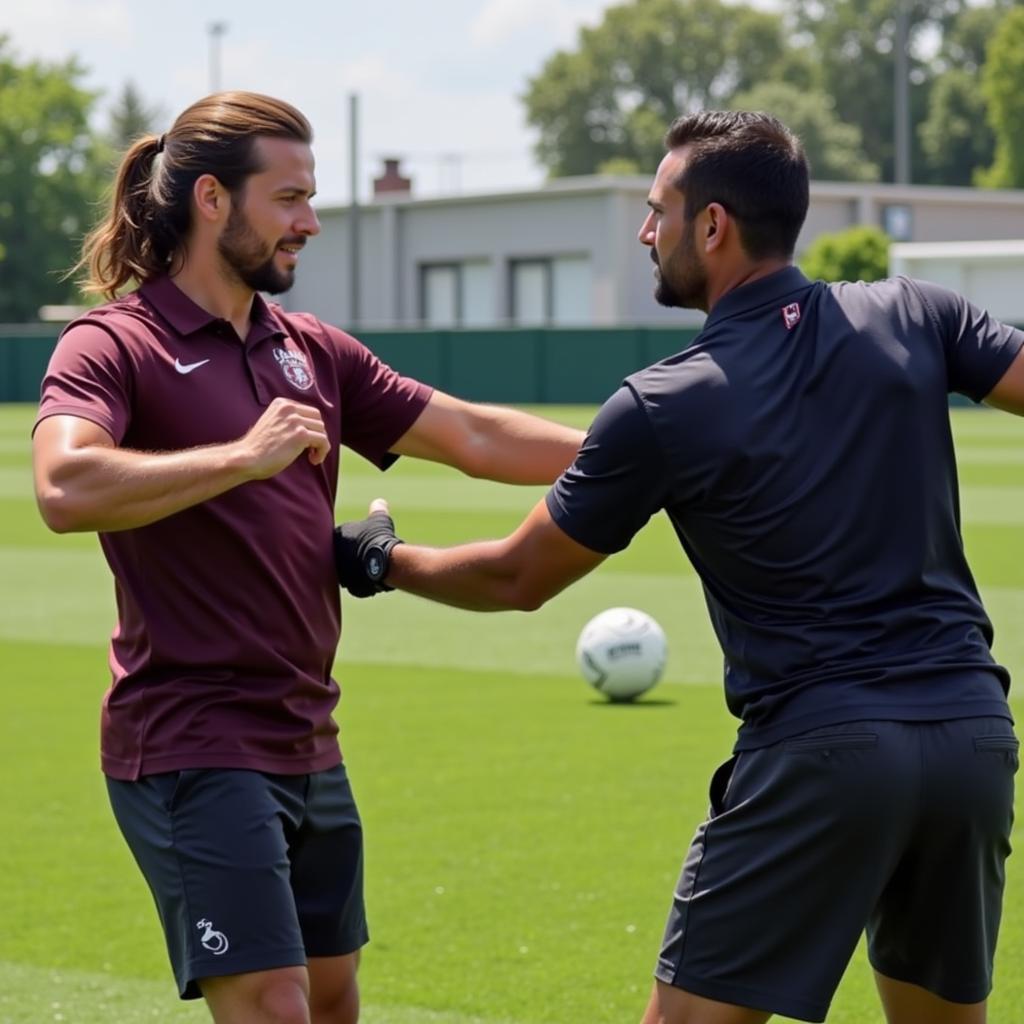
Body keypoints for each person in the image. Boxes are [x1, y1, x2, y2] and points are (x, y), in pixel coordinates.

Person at [335, 110, 1023, 1024]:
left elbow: (515, 577)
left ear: (713, 226)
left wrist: (384, 559)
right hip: (973, 740)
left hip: (825, 753)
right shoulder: (918, 314)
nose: (644, 231)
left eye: (659, 209)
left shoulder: (663, 402)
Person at [31, 91, 584, 1024]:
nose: (310, 223)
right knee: (275, 1006)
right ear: (212, 199)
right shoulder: (115, 343)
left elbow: (476, 437)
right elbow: (64, 487)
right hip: (190, 740)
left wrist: (654, 451)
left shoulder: (310, 350)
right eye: (288, 199)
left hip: (307, 736)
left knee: (332, 1001)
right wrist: (245, 456)